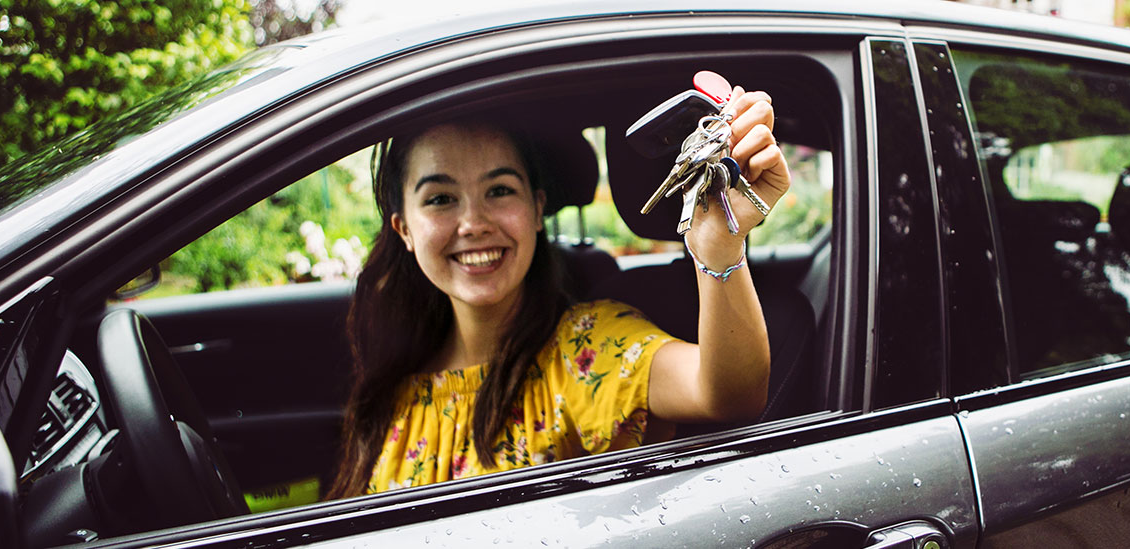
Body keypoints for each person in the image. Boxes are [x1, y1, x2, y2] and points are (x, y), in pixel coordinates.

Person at [327, 83, 791, 498]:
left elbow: (730, 393)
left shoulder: (583, 350)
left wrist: (718, 246)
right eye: (441, 199)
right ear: (404, 228)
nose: (473, 224)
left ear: (536, 208)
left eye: (500, 191)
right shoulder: (392, 378)